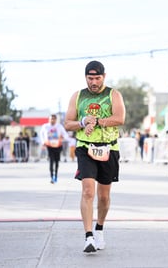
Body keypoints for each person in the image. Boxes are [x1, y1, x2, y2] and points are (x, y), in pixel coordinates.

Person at [64, 60, 126, 253]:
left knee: (104, 196)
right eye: (90, 78)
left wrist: (97, 121)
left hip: (109, 148)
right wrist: (83, 122)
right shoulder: (78, 96)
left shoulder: (113, 95)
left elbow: (120, 119)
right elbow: (67, 123)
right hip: (85, 148)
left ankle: (99, 229)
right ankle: (88, 236)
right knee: (88, 191)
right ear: (86, 78)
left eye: (97, 78)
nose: (94, 82)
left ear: (104, 77)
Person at [40, 114, 68, 183]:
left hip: (58, 146)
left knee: (56, 162)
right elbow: (41, 134)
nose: (52, 120)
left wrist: (63, 138)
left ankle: (56, 176)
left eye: (53, 119)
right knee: (51, 161)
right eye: (51, 119)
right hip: (49, 146)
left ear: (55, 120)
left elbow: (65, 134)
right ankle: (52, 177)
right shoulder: (45, 126)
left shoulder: (59, 126)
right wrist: (43, 142)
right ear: (49, 119)